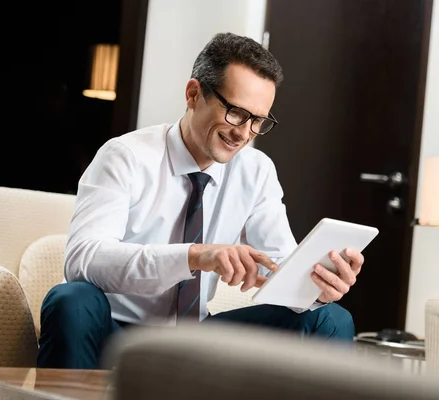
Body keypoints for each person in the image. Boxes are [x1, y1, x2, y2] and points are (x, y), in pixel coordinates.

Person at [37, 32, 365, 370]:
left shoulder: (256, 171)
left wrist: (315, 287)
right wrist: (195, 255)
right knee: (71, 300)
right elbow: (83, 261)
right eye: (236, 113)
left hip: (195, 339)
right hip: (116, 331)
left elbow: (280, 264)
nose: (244, 133)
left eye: (258, 121)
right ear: (194, 94)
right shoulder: (125, 156)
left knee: (330, 319)